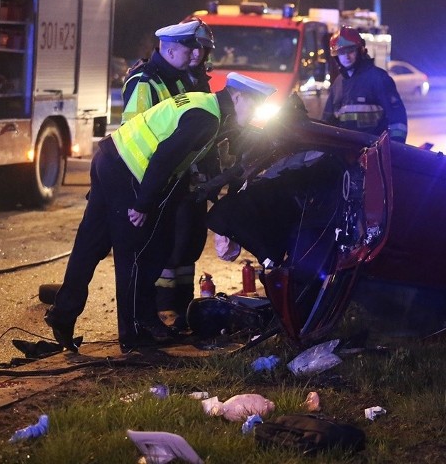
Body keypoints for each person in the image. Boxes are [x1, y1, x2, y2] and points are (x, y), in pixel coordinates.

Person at [44, 70, 276, 353]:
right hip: (129, 171)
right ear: (237, 96)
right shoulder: (207, 118)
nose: (254, 115)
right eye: (253, 105)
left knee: (91, 244)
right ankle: (132, 335)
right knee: (137, 254)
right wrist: (142, 204)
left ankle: (63, 314)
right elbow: (164, 157)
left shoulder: (205, 104)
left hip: (112, 158)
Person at [122, 19, 217, 331]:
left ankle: (182, 307)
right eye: (192, 48)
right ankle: (162, 311)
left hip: (188, 179)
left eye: (200, 49)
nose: (197, 54)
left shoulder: (191, 80)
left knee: (189, 244)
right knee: (166, 249)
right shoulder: (150, 80)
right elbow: (138, 135)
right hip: (162, 180)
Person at [322, 26, 408, 142]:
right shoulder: (338, 84)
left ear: (360, 50)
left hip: (374, 153)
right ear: (336, 56)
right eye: (342, 52)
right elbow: (327, 122)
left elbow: (397, 120)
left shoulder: (378, 78)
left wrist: (395, 148)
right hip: (346, 154)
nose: (346, 56)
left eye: (350, 51)